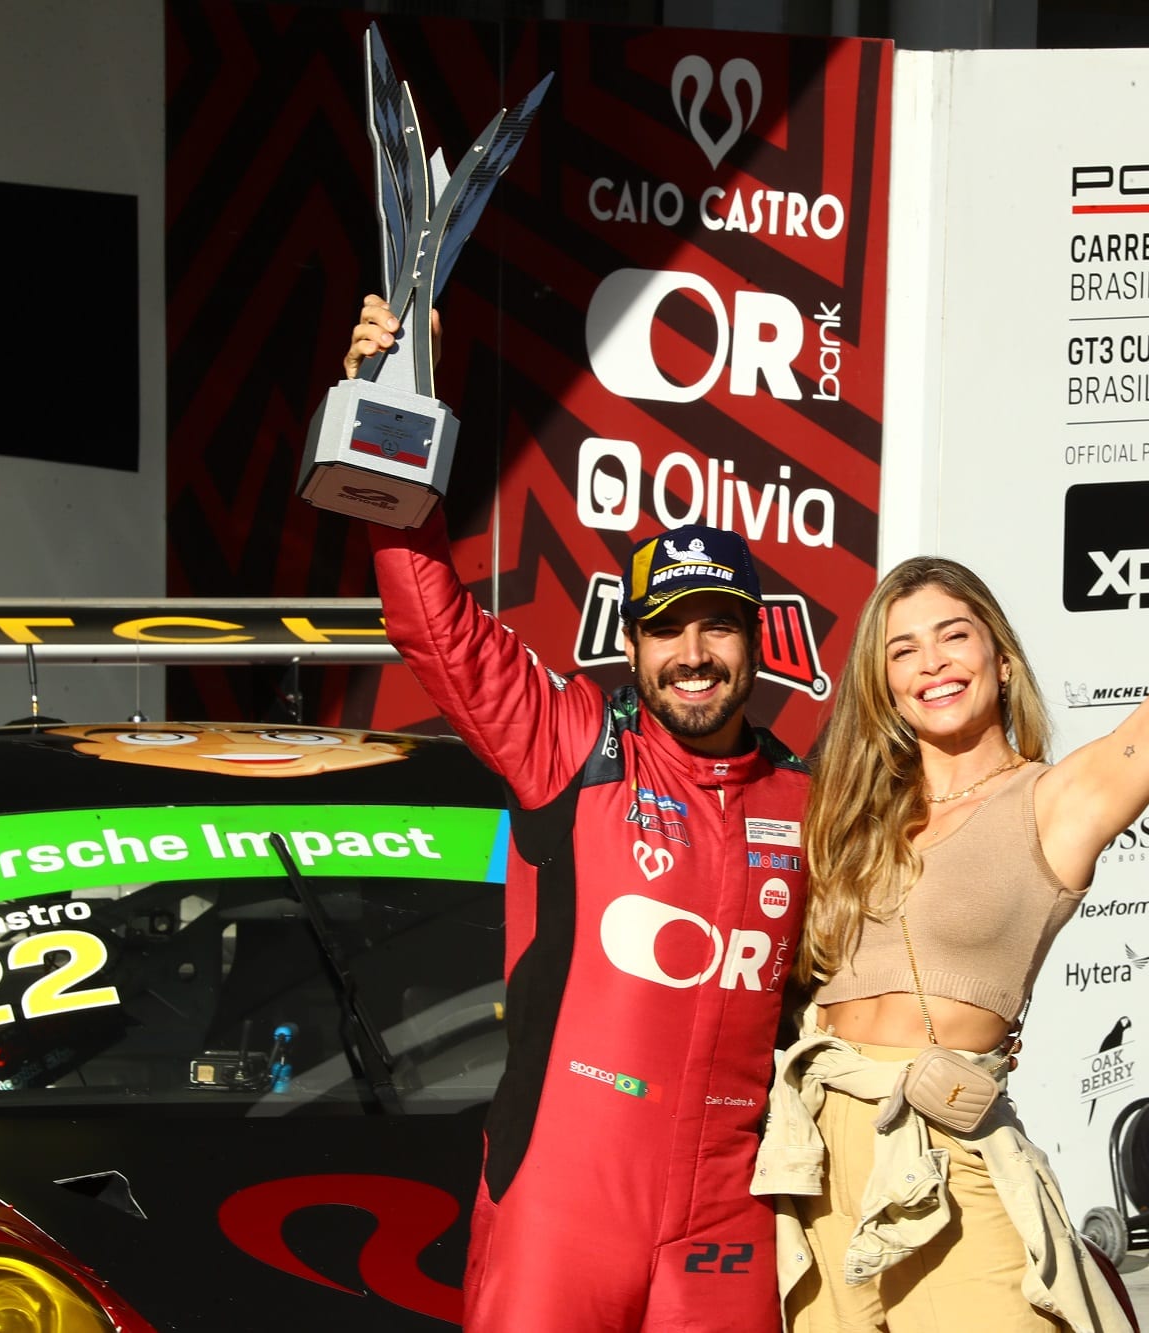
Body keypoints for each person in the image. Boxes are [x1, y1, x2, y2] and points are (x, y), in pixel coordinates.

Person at [755, 421, 1149, 1331]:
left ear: (1000, 656)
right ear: (881, 684)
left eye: (954, 636)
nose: (932, 662)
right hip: (820, 1158)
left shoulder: (1056, 802)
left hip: (946, 1154)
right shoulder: (848, 816)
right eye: (903, 650)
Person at [345, 298, 811, 1332]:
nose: (694, 654)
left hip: (727, 1222)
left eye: (718, 627)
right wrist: (385, 421)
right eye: (667, 630)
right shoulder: (574, 744)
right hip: (563, 1202)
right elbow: (436, 626)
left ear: (756, 640)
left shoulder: (804, 801)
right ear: (633, 648)